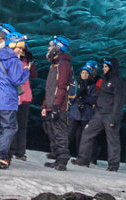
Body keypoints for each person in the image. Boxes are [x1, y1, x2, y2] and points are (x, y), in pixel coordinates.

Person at [0, 32, 30, 168]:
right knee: (10, 127)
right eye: (19, 47)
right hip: (6, 99)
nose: (21, 50)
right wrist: (26, 71)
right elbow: (17, 80)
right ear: (13, 45)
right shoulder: (14, 61)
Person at [74, 57, 125, 171]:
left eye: (106, 67)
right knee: (87, 132)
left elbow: (119, 101)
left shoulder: (117, 82)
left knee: (112, 140)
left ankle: (113, 165)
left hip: (110, 114)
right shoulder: (105, 80)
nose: (103, 69)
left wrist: (114, 118)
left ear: (111, 68)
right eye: (103, 66)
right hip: (99, 112)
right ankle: (83, 159)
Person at [41, 36, 74, 171]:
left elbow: (61, 86)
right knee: (52, 131)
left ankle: (62, 159)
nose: (48, 48)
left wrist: (56, 106)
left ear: (57, 48)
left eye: (51, 46)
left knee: (59, 132)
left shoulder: (63, 64)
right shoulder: (54, 64)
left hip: (59, 105)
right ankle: (56, 157)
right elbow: (49, 88)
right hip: (51, 104)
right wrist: (45, 106)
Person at [11, 43, 37, 161]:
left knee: (19, 125)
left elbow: (34, 75)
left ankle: (18, 151)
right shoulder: (19, 60)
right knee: (16, 125)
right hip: (20, 96)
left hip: (22, 96)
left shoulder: (25, 61)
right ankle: (16, 150)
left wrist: (31, 65)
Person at [68, 61, 99, 159]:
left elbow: (94, 99)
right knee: (69, 133)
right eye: (82, 73)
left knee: (83, 137)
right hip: (74, 113)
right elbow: (70, 97)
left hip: (86, 115)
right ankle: (61, 151)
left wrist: (84, 97)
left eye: (86, 73)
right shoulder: (75, 84)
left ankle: (82, 156)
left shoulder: (93, 86)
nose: (84, 75)